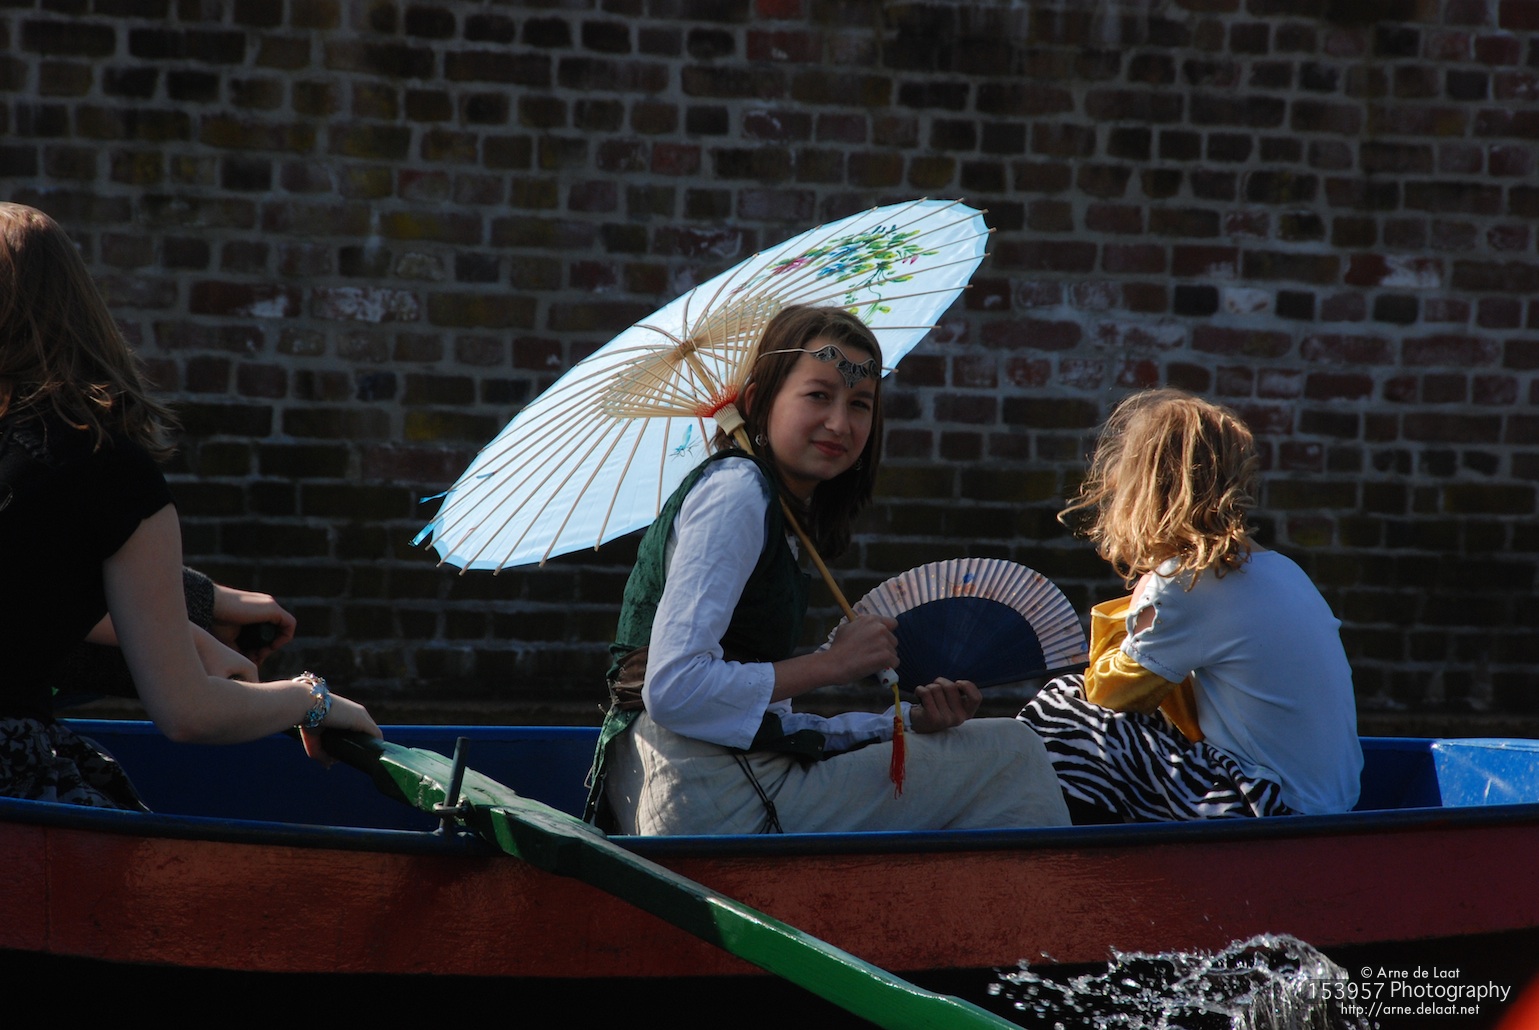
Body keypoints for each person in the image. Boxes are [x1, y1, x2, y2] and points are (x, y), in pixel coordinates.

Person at [587, 305, 1069, 835]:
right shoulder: (737, 493)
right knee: (1013, 753)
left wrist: (906, 722)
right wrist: (832, 664)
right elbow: (674, 689)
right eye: (819, 395)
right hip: (708, 796)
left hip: (706, 786)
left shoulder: (773, 511)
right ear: (758, 402)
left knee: (984, 745)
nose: (840, 423)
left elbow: (770, 724)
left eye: (860, 404)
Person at [0, 202, 380, 809]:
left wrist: (200, 613)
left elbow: (31, 583)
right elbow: (188, 712)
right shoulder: (107, 468)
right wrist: (312, 700)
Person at [1017, 388, 1362, 821]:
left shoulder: (1186, 581)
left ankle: (1076, 853)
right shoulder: (1284, 570)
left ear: (1143, 491)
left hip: (1266, 805)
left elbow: (1108, 694)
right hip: (1333, 804)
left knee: (1062, 707)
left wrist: (1143, 593)